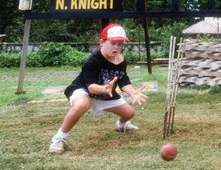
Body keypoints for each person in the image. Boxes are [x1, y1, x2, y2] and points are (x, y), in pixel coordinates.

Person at [48, 24, 148, 154]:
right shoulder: (92, 61)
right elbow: (91, 87)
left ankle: (121, 125)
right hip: (83, 90)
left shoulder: (121, 60)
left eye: (120, 44)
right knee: (83, 104)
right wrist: (104, 88)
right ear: (102, 42)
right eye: (113, 43)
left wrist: (132, 92)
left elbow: (123, 80)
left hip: (105, 92)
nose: (116, 47)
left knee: (129, 113)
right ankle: (59, 138)